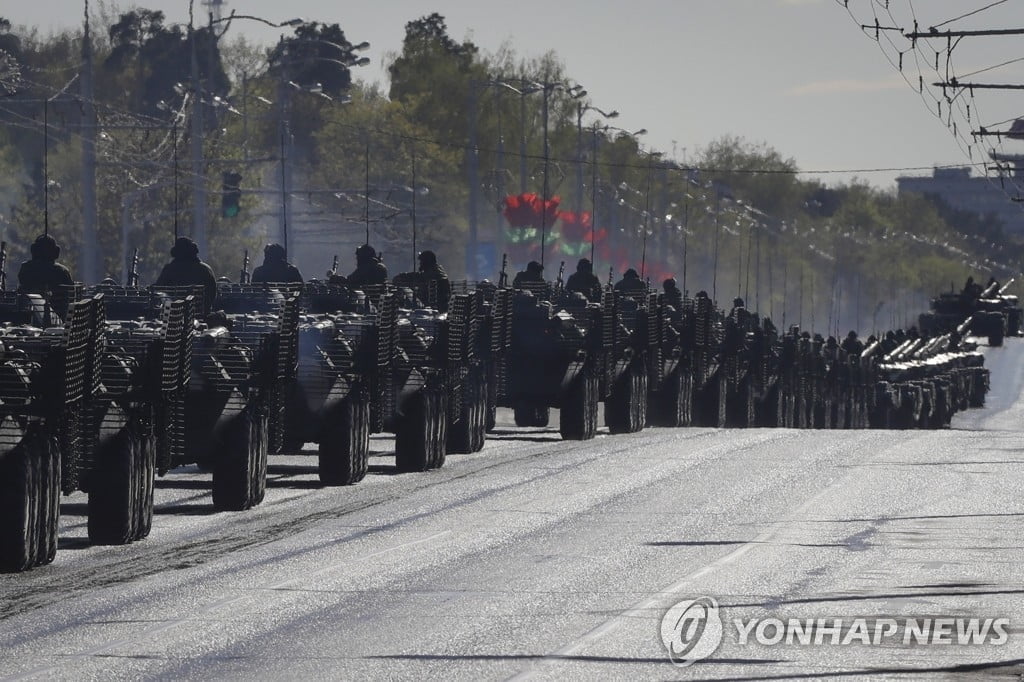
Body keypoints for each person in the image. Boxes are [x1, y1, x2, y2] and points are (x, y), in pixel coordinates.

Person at [153, 236, 218, 311]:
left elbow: (159, 290)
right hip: (201, 312)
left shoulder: (169, 269)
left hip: (172, 314)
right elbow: (212, 295)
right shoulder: (206, 269)